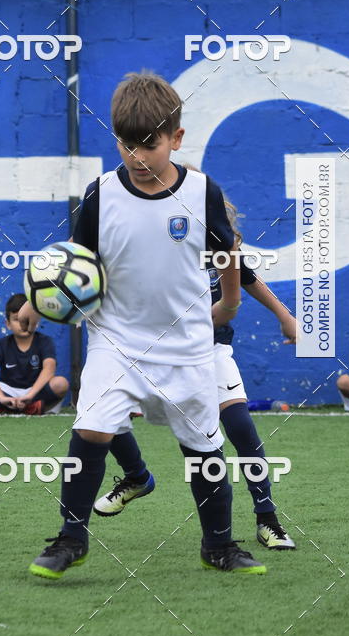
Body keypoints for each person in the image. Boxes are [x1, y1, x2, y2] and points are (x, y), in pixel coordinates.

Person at [23, 70, 267, 579]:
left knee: (204, 448)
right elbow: (77, 260)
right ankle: (71, 538)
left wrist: (230, 303)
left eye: (148, 145)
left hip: (188, 349)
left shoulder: (200, 191)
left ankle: (218, 545)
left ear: (175, 139)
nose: (136, 156)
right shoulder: (101, 193)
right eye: (126, 144)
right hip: (117, 343)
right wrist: (34, 304)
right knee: (89, 431)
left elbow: (227, 253)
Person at [95, 192, 297, 550]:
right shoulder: (150, 244)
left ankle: (267, 520)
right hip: (157, 352)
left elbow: (248, 280)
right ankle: (137, 477)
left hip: (211, 352)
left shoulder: (218, 243)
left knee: (240, 428)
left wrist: (285, 317)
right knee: (101, 413)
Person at [0, 293, 68, 415]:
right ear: (8, 324)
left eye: (27, 319)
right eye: (17, 320)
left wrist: (30, 395)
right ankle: (18, 407)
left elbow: (49, 369)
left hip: (34, 391)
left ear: (35, 321)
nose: (22, 324)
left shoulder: (44, 341)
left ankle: (6, 408)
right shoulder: (2, 344)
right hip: (7, 392)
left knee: (61, 383)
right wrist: (1, 398)